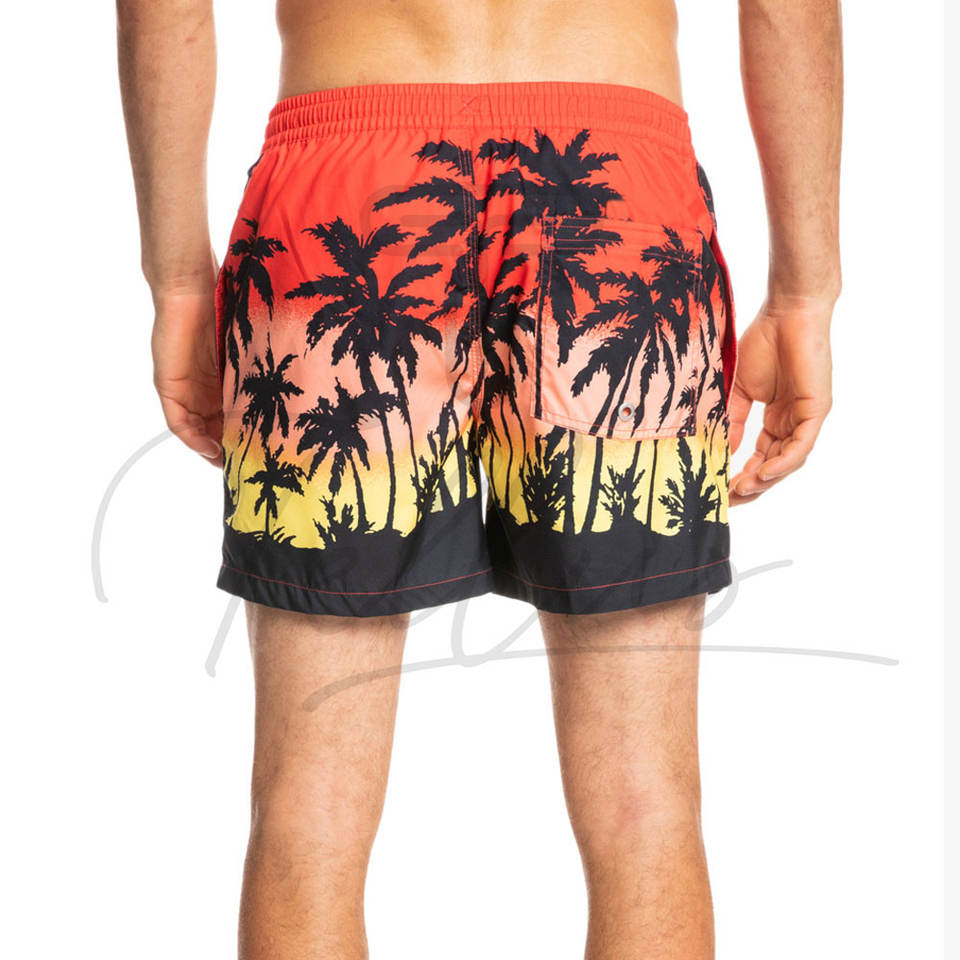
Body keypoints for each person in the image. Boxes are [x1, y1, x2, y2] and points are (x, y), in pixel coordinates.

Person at [118, 1, 841, 957]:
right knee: (645, 801)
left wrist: (178, 281)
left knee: (310, 803)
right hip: (613, 190)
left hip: (349, 179)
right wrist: (805, 290)